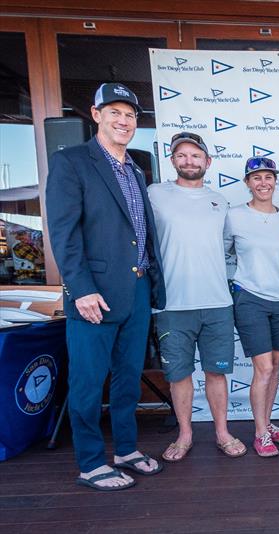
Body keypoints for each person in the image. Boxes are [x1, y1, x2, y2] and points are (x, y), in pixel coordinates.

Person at [46, 82, 165, 490]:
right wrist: (80, 288)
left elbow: (139, 234)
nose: (123, 120)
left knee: (128, 377)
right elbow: (64, 234)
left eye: (130, 115)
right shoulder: (72, 162)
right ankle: (91, 463)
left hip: (136, 289)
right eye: (114, 112)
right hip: (93, 293)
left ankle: (126, 449)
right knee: (87, 380)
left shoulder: (135, 168)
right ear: (95, 115)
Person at [149, 132, 246, 461]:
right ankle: (185, 434)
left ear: (208, 161)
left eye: (195, 155)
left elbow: (229, 250)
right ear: (173, 160)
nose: (189, 161)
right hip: (173, 304)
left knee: (216, 373)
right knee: (179, 374)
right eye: (182, 155)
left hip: (217, 302)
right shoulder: (155, 195)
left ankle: (222, 432)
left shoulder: (220, 201)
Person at [224, 157, 279, 457]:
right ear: (247, 183)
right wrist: (235, 286)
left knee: (276, 365)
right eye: (256, 178)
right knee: (263, 368)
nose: (263, 183)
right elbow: (222, 253)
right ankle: (259, 433)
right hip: (250, 298)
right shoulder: (234, 216)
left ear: (275, 181)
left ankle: (267, 422)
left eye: (268, 177)